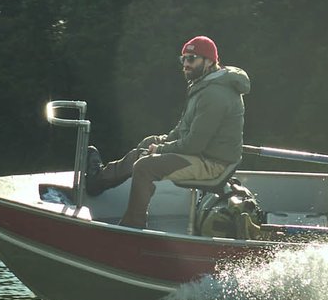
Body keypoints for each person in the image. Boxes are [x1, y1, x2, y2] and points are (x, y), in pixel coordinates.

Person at [86, 35, 251, 229]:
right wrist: (159, 143)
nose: (185, 64)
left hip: (213, 163)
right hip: (201, 154)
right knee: (148, 143)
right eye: (183, 59)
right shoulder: (204, 84)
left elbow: (194, 144)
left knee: (145, 166)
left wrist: (161, 150)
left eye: (191, 59)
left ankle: (133, 226)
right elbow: (183, 128)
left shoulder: (215, 95)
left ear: (209, 61)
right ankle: (99, 181)